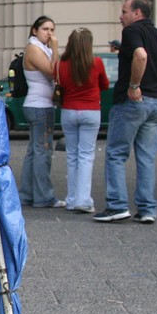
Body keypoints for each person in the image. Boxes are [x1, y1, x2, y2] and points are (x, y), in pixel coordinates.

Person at [94, 0, 157, 224]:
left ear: (137, 13)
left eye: (124, 12)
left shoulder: (132, 32)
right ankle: (147, 209)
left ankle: (117, 206)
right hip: (156, 103)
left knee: (116, 154)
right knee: (146, 158)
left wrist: (135, 86)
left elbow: (140, 55)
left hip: (132, 103)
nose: (120, 16)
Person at [56, 28, 109, 214]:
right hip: (91, 110)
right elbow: (105, 85)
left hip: (69, 110)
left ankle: (71, 199)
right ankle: (83, 199)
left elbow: (60, 85)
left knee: (72, 155)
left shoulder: (61, 64)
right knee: (86, 155)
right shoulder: (96, 62)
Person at [19, 15, 64, 208]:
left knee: (34, 151)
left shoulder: (38, 47)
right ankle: (43, 196)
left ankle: (28, 194)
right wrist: (55, 49)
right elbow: (54, 71)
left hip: (40, 105)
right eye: (45, 29)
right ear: (34, 30)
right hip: (40, 106)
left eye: (52, 29)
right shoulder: (34, 49)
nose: (50, 34)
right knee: (42, 152)